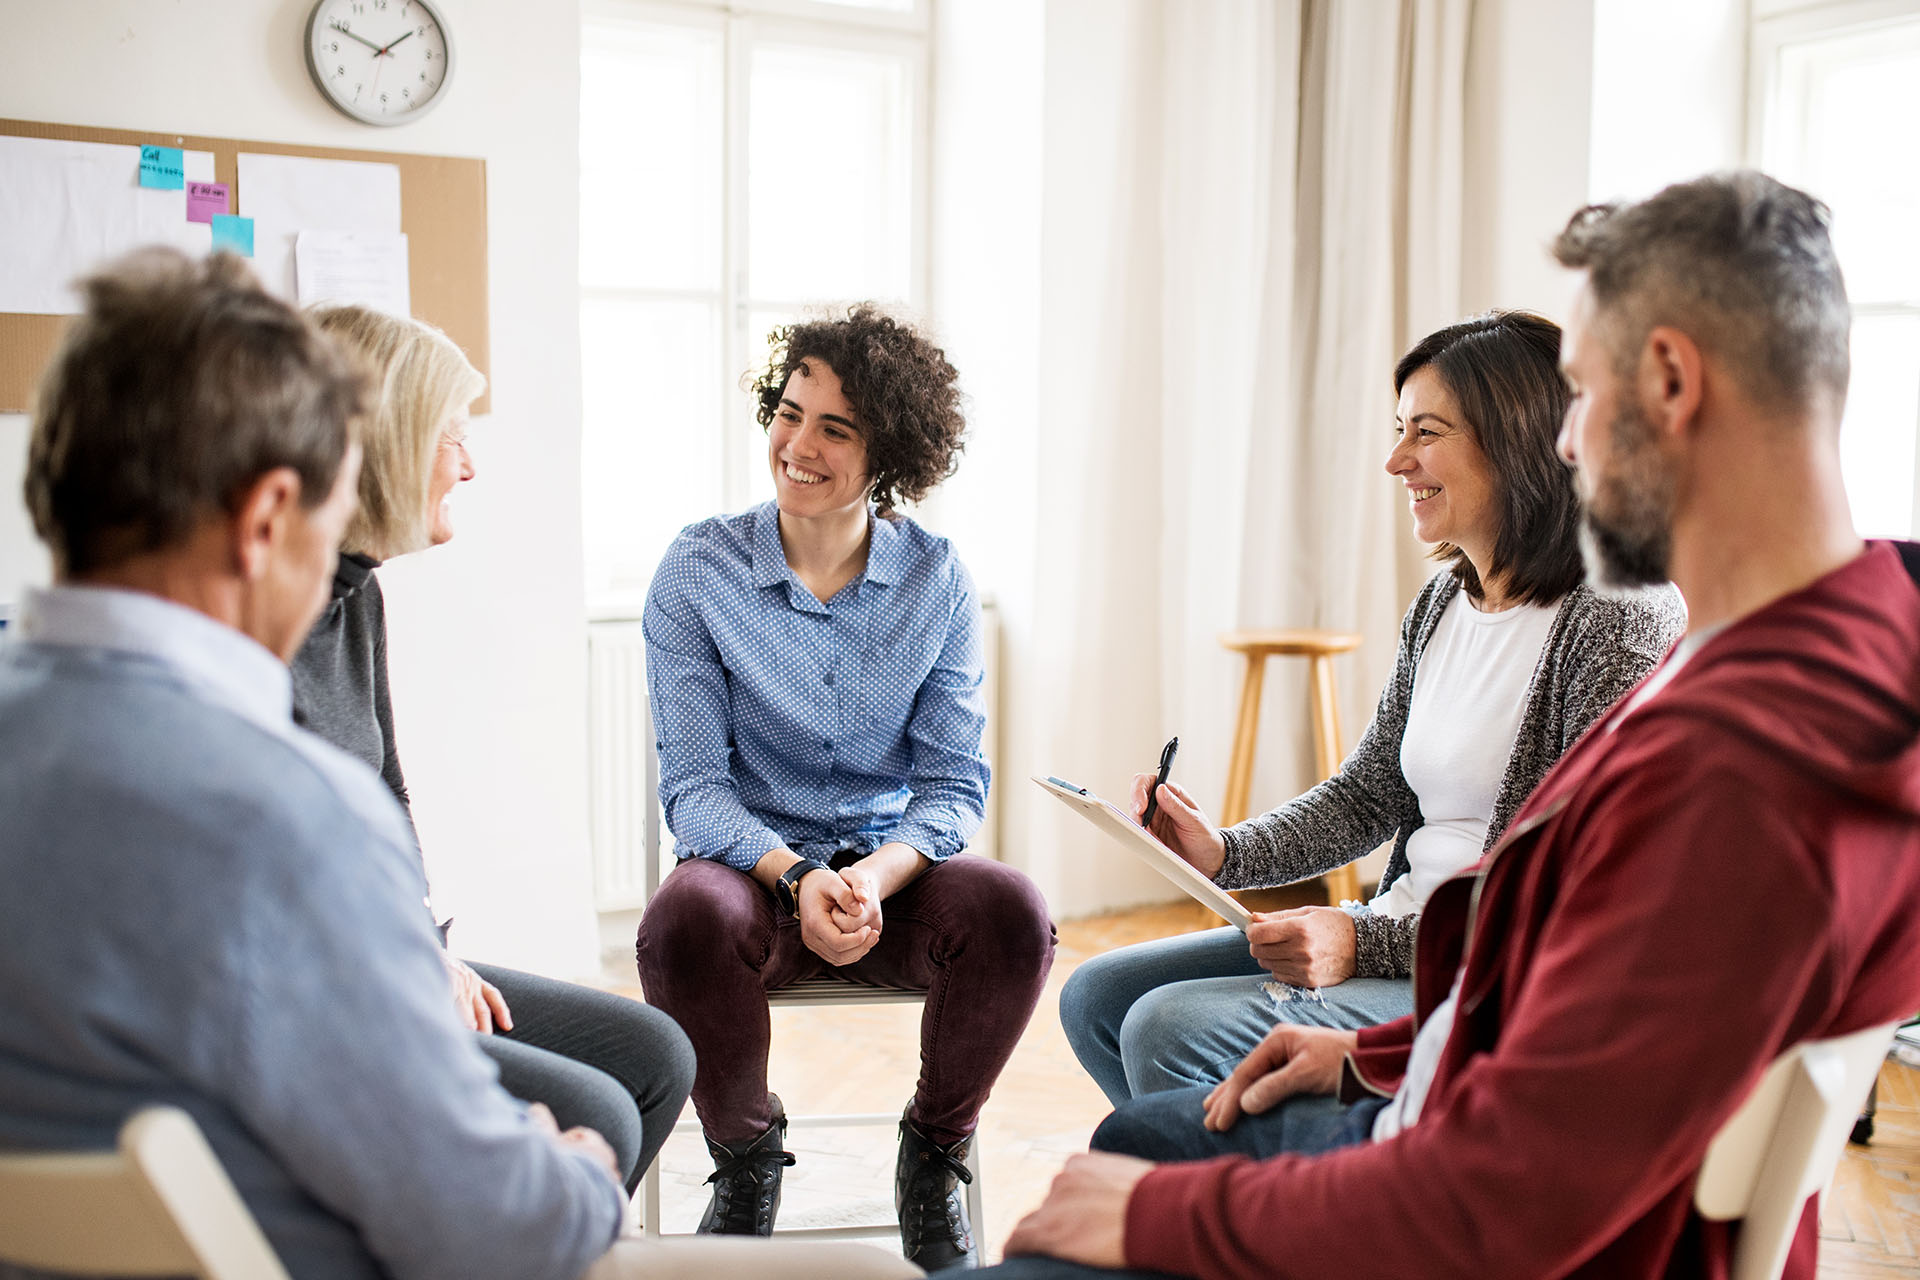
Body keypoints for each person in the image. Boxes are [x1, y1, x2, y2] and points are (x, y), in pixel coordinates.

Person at [980, 171, 1920, 1280]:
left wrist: (1164, 1222)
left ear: (1668, 378)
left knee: (1134, 1154)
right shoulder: (1818, 652)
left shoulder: (1734, 764)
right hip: (1440, 1092)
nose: (1569, 442)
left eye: (1581, 390)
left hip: (1502, 1209)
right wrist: (1371, 1055)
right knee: (1136, 1102)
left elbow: (1522, 1192)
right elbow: (1579, 1015)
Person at [0, 248, 918, 1280]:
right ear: (265, 521)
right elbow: (498, 1223)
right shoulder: (284, 815)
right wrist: (567, 1168)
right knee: (869, 1274)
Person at [1061, 310, 1683, 1106]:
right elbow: (1370, 794)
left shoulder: (1619, 617)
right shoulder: (1444, 601)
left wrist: (1362, 939)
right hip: (1403, 931)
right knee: (1098, 998)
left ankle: (1287, 1209)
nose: (1396, 461)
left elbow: (1571, 894)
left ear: (1521, 440)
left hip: (1499, 976)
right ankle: (1279, 1192)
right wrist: (1223, 853)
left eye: (1426, 433)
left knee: (1166, 1030)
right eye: (1399, 431)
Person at [635, 305, 1057, 1269]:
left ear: (892, 453)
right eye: (791, 413)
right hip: (754, 880)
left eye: (838, 428)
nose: (800, 445)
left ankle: (934, 1154)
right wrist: (795, 878)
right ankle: (745, 1162)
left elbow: (953, 784)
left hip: (888, 891)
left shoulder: (937, 580)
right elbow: (697, 790)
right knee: (681, 918)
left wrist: (875, 877)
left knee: (1011, 910)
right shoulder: (699, 570)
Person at [291, 304, 694, 1195]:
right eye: (451, 436)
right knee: (599, 1113)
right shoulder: (264, 613)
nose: (468, 465)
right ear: (389, 440)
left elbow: (385, 796)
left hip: (389, 953)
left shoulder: (357, 597)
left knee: (657, 1054)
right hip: (331, 989)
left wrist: (427, 947)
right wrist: (407, 964)